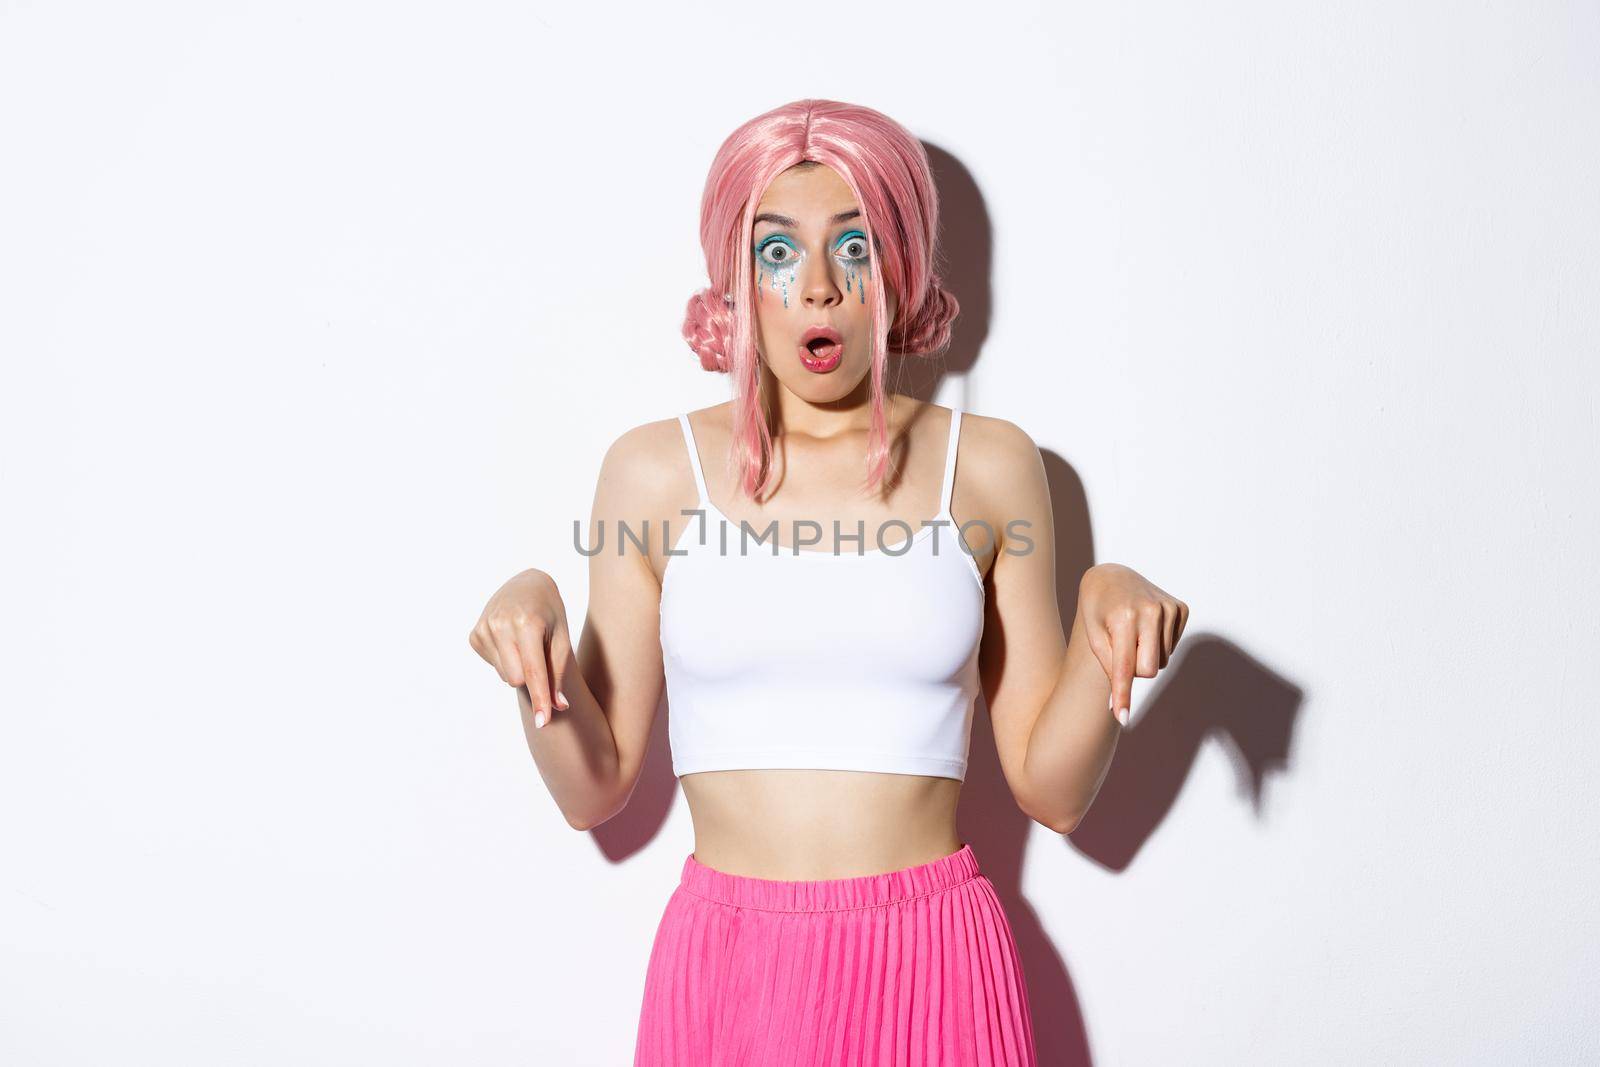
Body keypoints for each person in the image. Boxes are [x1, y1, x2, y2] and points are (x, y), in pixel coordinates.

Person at [467, 99, 1189, 1066]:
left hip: (935, 962)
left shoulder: (991, 467)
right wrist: (535, 644)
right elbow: (592, 790)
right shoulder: (652, 472)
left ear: (899, 266)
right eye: (777, 253)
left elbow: (1054, 791)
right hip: (729, 969)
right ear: (735, 276)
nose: (816, 287)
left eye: (854, 247)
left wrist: (1108, 617)